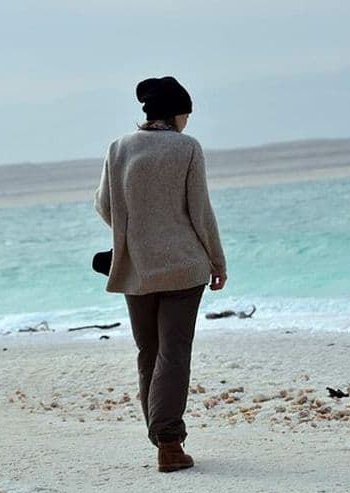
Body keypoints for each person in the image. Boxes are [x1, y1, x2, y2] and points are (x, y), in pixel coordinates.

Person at [94, 76, 227, 472]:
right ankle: (169, 443)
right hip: (184, 268)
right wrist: (217, 262)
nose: (188, 119)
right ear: (176, 112)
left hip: (136, 269)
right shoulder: (186, 148)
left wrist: (136, 236)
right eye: (186, 111)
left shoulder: (118, 148)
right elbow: (199, 211)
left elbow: (104, 205)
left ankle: (162, 439)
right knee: (174, 353)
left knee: (148, 353)